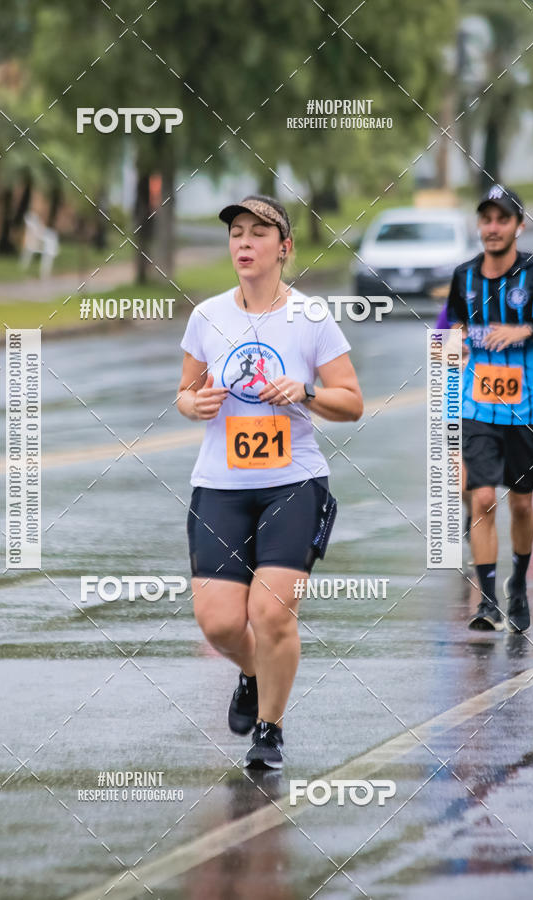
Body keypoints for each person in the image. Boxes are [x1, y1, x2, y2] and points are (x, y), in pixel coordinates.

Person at [176, 195, 363, 768]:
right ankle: (254, 672)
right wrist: (195, 404)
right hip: (221, 484)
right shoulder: (207, 316)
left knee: (272, 613)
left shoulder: (311, 318)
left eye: (259, 233)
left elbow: (352, 402)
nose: (245, 242)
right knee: (219, 621)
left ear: (284, 248)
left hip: (294, 483)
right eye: (237, 232)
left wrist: (306, 392)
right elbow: (185, 393)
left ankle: (270, 729)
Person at [446, 184, 533, 632]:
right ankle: (487, 600)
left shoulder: (532, 273)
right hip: (477, 406)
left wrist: (524, 331)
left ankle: (517, 585)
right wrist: (456, 339)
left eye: (503, 219)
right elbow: (451, 327)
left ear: (519, 225)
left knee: (521, 505)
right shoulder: (464, 277)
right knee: (481, 498)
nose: (493, 227)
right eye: (486, 219)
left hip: (527, 411)